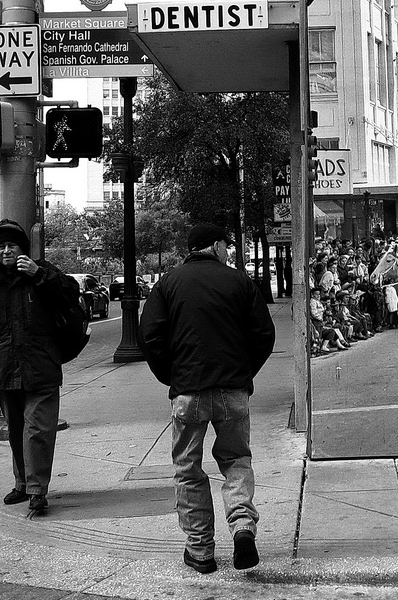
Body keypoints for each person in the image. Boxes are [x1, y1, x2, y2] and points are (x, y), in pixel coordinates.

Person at [138, 223, 276, 574]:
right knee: (236, 461)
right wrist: (243, 374)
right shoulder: (240, 282)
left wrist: (173, 376)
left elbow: (150, 336)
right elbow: (264, 335)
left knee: (187, 468)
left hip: (189, 392)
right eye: (227, 245)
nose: (229, 251)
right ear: (215, 246)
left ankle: (200, 551)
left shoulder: (167, 283)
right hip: (233, 390)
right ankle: (242, 526)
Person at [0, 219, 76, 513]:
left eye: (12, 245)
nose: (6, 251)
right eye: (1, 247)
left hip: (41, 365)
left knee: (38, 429)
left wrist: (40, 275)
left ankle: (37, 489)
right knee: (16, 430)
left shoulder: (40, 272)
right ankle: (22, 484)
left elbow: (70, 293)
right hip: (5, 367)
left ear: (23, 250)